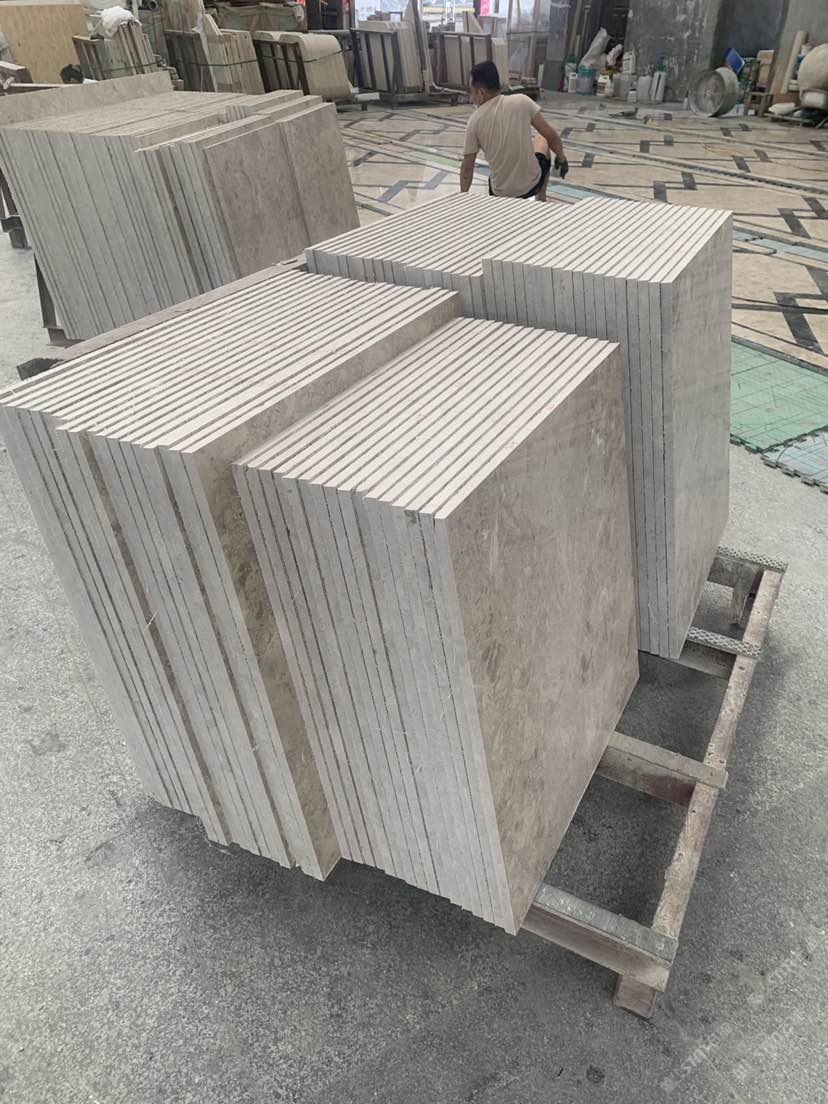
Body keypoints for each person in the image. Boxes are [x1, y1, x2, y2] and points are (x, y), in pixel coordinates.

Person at [460, 60, 568, 202]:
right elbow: (551, 135)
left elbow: (467, 167)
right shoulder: (522, 101)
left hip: (499, 193)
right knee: (541, 138)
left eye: (471, 91)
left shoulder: (474, 121)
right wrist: (561, 157)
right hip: (531, 185)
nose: (471, 97)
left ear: (481, 92)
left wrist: (462, 197)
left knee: (494, 176)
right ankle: (541, 197)